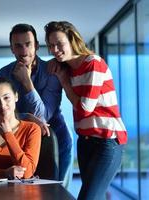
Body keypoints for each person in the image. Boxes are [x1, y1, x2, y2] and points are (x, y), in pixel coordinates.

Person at [44, 21, 127, 200]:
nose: (55, 49)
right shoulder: (68, 67)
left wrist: (64, 82)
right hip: (85, 141)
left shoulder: (93, 63)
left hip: (107, 142)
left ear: (72, 40)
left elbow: (84, 109)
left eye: (59, 43)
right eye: (51, 45)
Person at [0, 23, 73, 186]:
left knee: (53, 193)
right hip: (19, 143)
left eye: (28, 44)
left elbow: (43, 116)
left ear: (36, 46)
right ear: (12, 49)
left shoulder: (52, 70)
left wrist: (26, 81)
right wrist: (27, 117)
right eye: (18, 46)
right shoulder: (3, 74)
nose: (23, 51)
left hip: (53, 142)